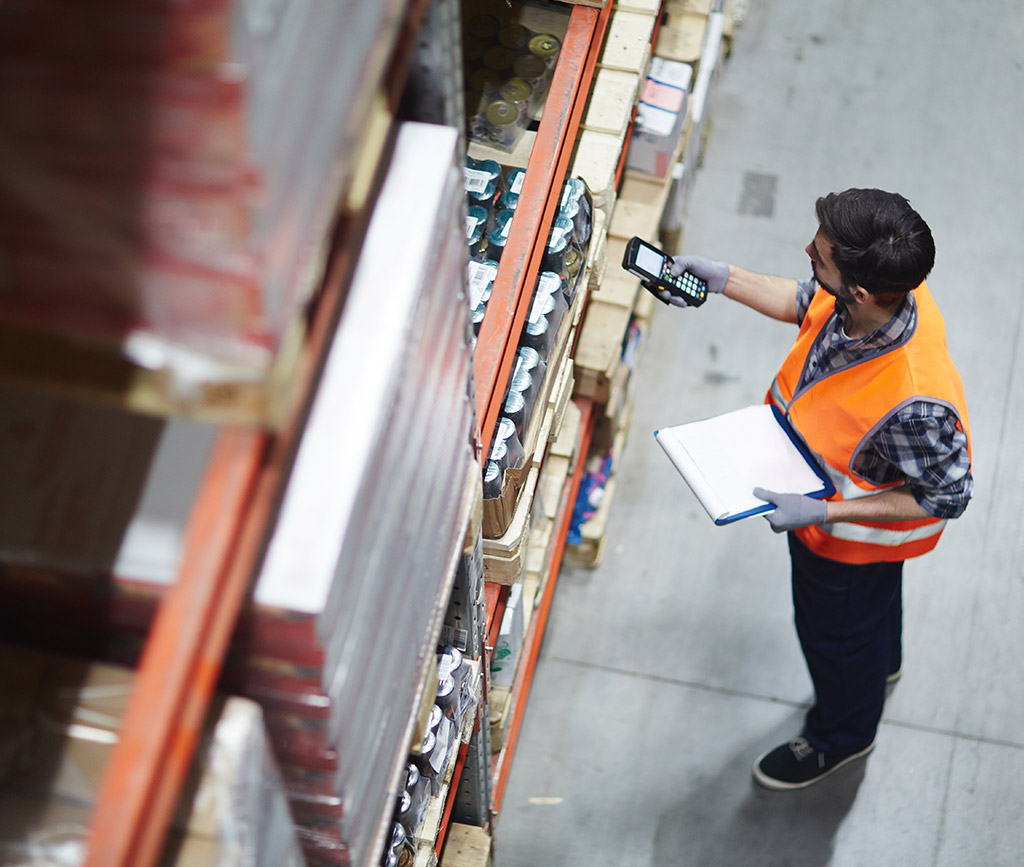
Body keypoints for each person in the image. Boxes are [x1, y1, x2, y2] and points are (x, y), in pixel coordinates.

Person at [660, 188, 972, 790]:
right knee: (871, 625)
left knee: (837, 638)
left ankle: (844, 736)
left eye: (820, 253)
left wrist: (825, 511)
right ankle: (881, 664)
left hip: (848, 547)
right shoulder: (886, 293)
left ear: (858, 290)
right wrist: (725, 279)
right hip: (842, 532)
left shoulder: (915, 403)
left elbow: (948, 495)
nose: (808, 251)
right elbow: (808, 302)